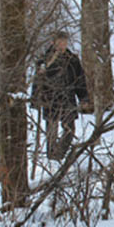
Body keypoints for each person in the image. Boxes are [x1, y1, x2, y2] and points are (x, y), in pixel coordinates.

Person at [30, 31, 90, 161]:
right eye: (59, 42)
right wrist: (35, 99)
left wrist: (84, 98)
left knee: (70, 130)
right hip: (50, 99)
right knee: (51, 131)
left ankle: (60, 154)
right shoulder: (44, 60)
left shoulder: (72, 60)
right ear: (53, 42)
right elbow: (37, 81)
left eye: (64, 42)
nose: (62, 45)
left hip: (68, 98)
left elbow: (80, 80)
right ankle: (52, 158)